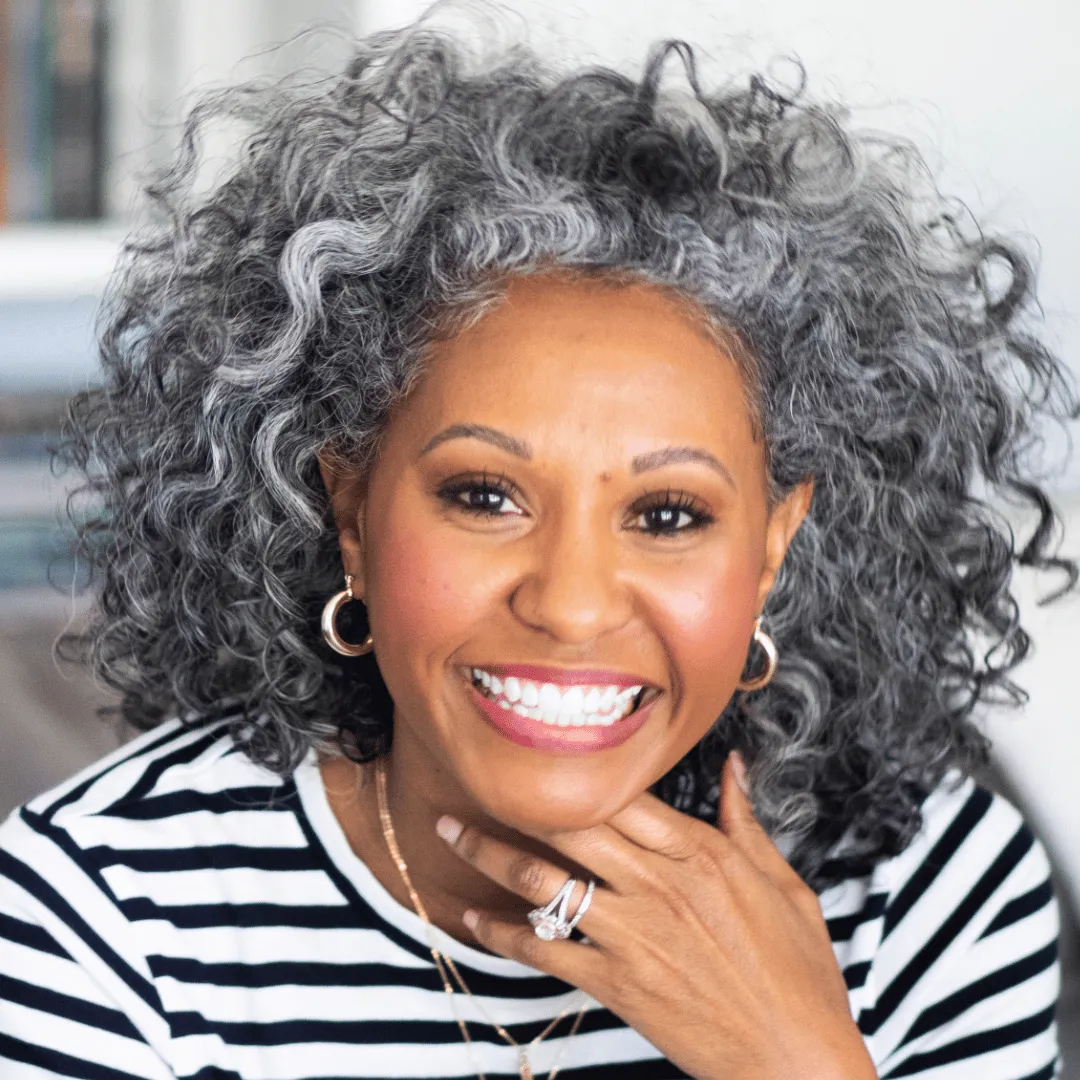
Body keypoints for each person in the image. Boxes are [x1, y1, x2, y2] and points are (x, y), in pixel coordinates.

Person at [0, 11, 1074, 1080]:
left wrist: (794, 1063)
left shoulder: (930, 890)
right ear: (352, 517)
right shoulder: (96, 919)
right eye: (485, 496)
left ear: (770, 550)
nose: (570, 605)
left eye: (668, 516)